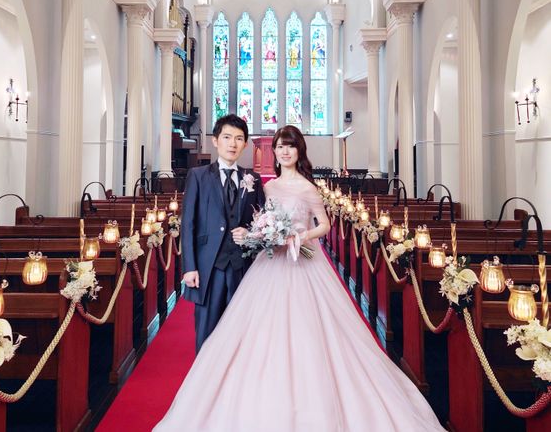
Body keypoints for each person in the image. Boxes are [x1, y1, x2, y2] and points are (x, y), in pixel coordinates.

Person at [155, 125, 445, 431]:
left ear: (299, 151)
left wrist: (300, 236)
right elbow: (255, 221)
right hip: (269, 266)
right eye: (280, 146)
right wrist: (261, 234)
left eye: (290, 146)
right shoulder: (266, 188)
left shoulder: (308, 188)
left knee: (311, 331)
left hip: (304, 262)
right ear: (274, 151)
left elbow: (325, 225)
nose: (284, 151)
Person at [180, 114, 265, 353]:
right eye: (227, 137)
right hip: (209, 267)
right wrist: (189, 267)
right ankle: (204, 375)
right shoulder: (198, 176)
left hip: (242, 266)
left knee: (241, 332)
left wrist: (249, 233)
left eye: (239, 138)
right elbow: (188, 223)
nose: (232, 144)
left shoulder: (253, 179)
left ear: (245, 144)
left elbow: (262, 223)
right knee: (206, 332)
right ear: (216, 140)